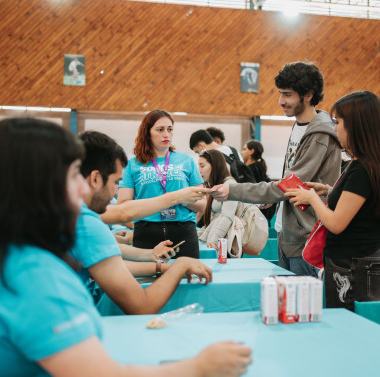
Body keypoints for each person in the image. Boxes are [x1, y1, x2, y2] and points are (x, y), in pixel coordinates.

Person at [0, 117, 252, 377]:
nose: (81, 185)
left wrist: (158, 263)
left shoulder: (21, 256)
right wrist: (198, 368)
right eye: (74, 173)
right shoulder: (38, 278)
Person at [211, 61, 342, 277]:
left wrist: (232, 190)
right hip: (288, 234)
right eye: (281, 94)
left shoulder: (320, 134)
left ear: (308, 95)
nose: (281, 101)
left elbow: (288, 185)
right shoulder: (302, 127)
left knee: (301, 308)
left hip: (307, 240)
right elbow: (289, 183)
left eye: (287, 94)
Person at [73, 130, 212, 314]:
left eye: (170, 129)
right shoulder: (84, 222)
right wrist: (178, 266)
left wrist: (155, 262)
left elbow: (108, 257)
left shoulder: (70, 213)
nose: (115, 191)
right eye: (116, 182)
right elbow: (141, 305)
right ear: (96, 178)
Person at [284, 91, 380, 310]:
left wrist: (311, 199)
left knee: (349, 328)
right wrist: (328, 191)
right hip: (356, 261)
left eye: (338, 122)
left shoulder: (362, 168)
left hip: (353, 266)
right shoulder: (366, 164)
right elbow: (359, 202)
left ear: (356, 124)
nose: (335, 128)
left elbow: (336, 223)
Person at [117, 110, 205, 259]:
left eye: (170, 129)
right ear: (147, 133)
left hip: (183, 231)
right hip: (146, 232)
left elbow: (202, 204)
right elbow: (123, 204)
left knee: (187, 278)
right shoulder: (133, 165)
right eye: (160, 130)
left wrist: (180, 198)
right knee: (149, 280)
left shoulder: (187, 161)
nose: (167, 134)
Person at [197, 150, 239, 251]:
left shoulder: (229, 184)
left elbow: (227, 217)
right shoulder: (215, 186)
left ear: (214, 166)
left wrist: (214, 241)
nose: (199, 170)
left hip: (224, 244)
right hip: (217, 241)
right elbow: (211, 222)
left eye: (202, 166)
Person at [241, 140, 276, 222]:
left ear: (251, 151)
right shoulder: (258, 168)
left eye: (244, 149)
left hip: (254, 214)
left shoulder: (251, 169)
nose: (242, 152)